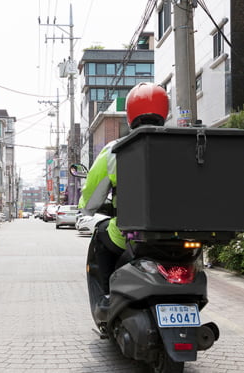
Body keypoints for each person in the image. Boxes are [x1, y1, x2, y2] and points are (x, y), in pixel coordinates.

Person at [78, 82, 169, 294]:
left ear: (130, 114)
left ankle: (108, 296)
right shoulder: (188, 144)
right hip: (182, 235)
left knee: (101, 235)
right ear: (165, 110)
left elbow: (91, 199)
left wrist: (86, 209)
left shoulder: (116, 149)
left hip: (132, 235)